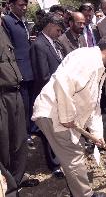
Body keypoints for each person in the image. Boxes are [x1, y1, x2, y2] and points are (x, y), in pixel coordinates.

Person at [31, 35, 106, 197]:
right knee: (73, 157)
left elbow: (93, 105)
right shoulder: (86, 59)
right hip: (54, 114)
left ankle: (79, 190)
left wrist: (96, 134)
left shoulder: (99, 68)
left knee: (75, 150)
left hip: (62, 115)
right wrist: (66, 116)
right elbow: (62, 81)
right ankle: (84, 195)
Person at [0, 13, 38, 195]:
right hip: (1, 96)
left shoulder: (2, 29)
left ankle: (18, 176)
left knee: (19, 139)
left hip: (14, 91)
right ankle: (8, 187)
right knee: (4, 142)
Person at [30, 13, 65, 179]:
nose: (60, 33)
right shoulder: (39, 45)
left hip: (58, 93)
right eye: (58, 30)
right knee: (49, 133)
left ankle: (59, 158)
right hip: (49, 96)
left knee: (57, 130)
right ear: (50, 25)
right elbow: (43, 76)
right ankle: (54, 165)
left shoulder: (54, 42)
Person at [2, 0, 35, 148]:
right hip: (18, 71)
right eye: (21, 5)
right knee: (23, 105)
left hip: (29, 68)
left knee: (30, 103)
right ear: (11, 5)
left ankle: (30, 130)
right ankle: (24, 135)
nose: (24, 8)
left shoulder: (22, 20)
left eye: (25, 5)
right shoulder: (7, 21)